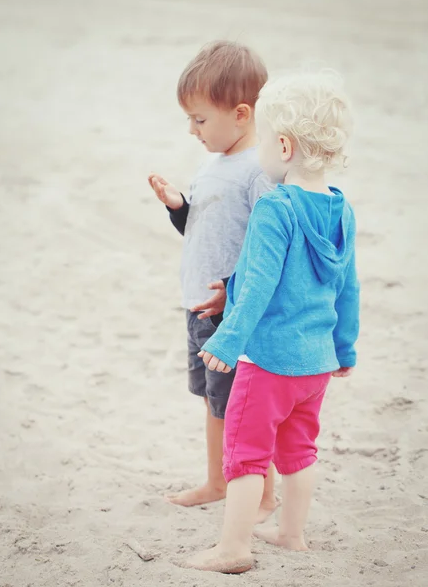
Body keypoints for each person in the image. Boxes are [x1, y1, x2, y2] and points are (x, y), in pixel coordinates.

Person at [181, 69, 360, 574]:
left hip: (270, 362)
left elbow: (257, 285)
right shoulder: (341, 210)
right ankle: (291, 533)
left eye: (261, 137)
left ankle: (233, 549)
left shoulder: (276, 208)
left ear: (282, 146)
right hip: (316, 363)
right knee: (300, 451)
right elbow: (348, 287)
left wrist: (229, 337)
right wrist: (345, 348)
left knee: (246, 452)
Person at [148, 41, 277, 520]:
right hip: (200, 305)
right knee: (213, 399)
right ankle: (217, 481)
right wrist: (179, 207)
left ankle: (262, 493)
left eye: (200, 119)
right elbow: (203, 230)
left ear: (241, 113)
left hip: (232, 312)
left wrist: (236, 290)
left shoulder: (259, 172)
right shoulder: (214, 163)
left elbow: (270, 247)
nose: (192, 130)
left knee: (243, 405)